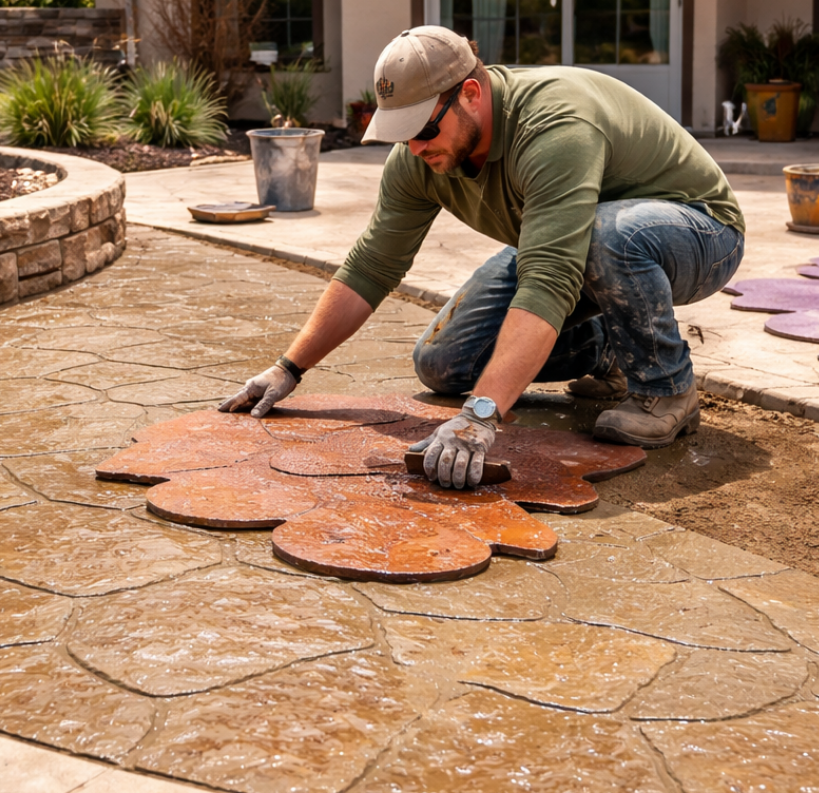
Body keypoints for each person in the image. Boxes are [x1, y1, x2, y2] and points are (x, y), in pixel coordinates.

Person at [220, 25, 744, 489]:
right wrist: (288, 369)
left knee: (609, 235)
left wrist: (481, 415)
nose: (415, 148)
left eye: (424, 129)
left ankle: (666, 389)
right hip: (574, 249)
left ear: (471, 93)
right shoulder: (417, 158)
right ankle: (615, 352)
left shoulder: (554, 126)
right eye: (401, 134)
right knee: (445, 364)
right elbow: (371, 265)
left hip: (696, 233)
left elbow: (548, 279)